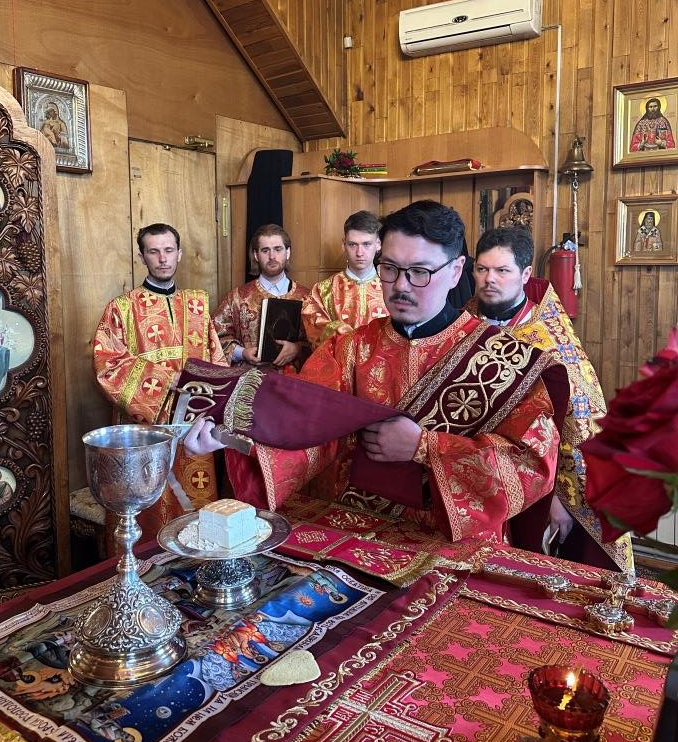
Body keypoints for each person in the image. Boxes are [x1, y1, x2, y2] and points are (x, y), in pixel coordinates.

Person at [188, 202, 569, 548]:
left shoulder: (504, 358)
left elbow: (532, 463)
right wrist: (231, 438)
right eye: (389, 268)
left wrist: (425, 446)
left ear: (456, 271)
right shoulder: (350, 349)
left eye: (419, 271)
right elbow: (302, 426)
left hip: (456, 544)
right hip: (359, 533)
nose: (400, 285)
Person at [468, 225, 631, 570]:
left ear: (526, 274)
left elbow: (576, 427)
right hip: (474, 478)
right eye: (482, 269)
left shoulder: (550, 339)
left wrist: (559, 498)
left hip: (538, 486)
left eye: (502, 270)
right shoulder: (462, 325)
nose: (489, 279)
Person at [94, 223, 227, 539]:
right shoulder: (121, 308)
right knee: (149, 515)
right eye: (154, 252)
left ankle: (197, 564)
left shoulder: (197, 306)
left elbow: (217, 362)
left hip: (195, 430)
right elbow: (108, 366)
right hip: (145, 435)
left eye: (168, 250)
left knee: (199, 516)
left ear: (179, 254)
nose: (163, 258)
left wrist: (215, 408)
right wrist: (168, 382)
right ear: (142, 257)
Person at [212, 224, 310, 372]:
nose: (272, 256)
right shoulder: (237, 298)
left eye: (278, 249)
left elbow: (320, 341)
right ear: (256, 255)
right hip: (250, 379)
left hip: (295, 380)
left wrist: (297, 348)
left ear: (288, 252)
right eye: (265, 250)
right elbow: (215, 337)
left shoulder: (308, 298)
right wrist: (242, 353)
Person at [302, 210, 387, 348]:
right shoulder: (322, 290)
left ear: (378, 244)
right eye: (353, 244)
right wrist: (338, 330)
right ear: (344, 244)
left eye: (366, 244)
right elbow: (314, 331)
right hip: (339, 360)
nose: (359, 253)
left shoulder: (392, 287)